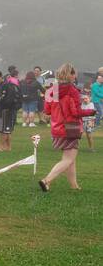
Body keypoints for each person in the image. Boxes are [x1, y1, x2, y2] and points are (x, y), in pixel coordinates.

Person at [40, 63, 87, 191]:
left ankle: (74, 186)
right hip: (71, 126)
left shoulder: (52, 90)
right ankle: (46, 180)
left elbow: (47, 111)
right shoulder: (73, 90)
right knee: (68, 158)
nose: (75, 76)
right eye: (74, 73)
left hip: (56, 127)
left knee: (71, 158)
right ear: (71, 75)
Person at [0, 69, 19, 152]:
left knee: (4, 130)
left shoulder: (7, 85)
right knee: (6, 130)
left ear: (0, 76)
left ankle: (0, 147)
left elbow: (9, 99)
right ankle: (8, 147)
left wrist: (2, 105)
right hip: (0, 110)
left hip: (7, 110)